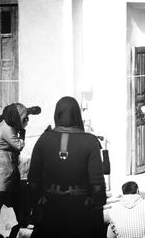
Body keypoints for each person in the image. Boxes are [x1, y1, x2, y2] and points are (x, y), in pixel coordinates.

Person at [27, 96, 107, 238]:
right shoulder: (90, 141)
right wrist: (97, 206)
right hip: (81, 215)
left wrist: (38, 202)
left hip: (50, 214)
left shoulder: (43, 140)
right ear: (77, 114)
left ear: (57, 114)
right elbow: (97, 184)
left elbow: (33, 180)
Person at [0, 103, 29, 238]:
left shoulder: (8, 122)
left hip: (7, 163)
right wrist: (23, 131)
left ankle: (22, 222)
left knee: (15, 193)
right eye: (24, 118)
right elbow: (19, 145)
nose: (26, 120)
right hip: (2, 164)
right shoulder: (7, 129)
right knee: (1, 194)